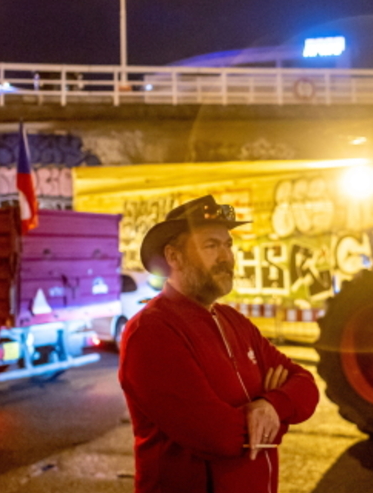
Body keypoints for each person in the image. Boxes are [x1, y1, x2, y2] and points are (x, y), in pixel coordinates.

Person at [118, 195, 319, 493]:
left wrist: (270, 405)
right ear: (174, 257)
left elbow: (305, 385)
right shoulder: (152, 332)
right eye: (211, 246)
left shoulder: (232, 321)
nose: (226, 256)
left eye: (228, 245)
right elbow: (218, 436)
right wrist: (277, 414)